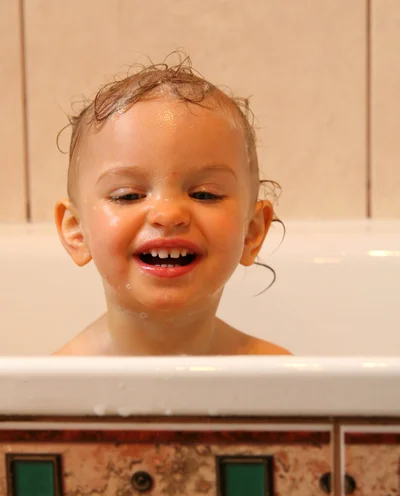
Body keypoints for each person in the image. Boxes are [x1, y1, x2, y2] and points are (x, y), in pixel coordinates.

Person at [54, 55, 290, 356]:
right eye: (128, 195)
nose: (168, 215)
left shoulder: (276, 377)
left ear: (252, 232)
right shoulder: (57, 389)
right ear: (76, 231)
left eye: (205, 194)